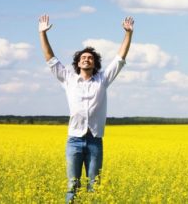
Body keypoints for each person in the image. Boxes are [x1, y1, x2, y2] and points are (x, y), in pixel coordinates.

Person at [38, 14, 134, 203]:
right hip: (74, 139)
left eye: (90, 58)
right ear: (78, 62)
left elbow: (120, 58)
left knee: (93, 186)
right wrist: (42, 33)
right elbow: (50, 59)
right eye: (83, 57)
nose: (86, 60)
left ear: (94, 63)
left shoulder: (103, 79)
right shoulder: (68, 79)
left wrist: (128, 34)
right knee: (72, 186)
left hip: (95, 140)